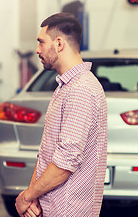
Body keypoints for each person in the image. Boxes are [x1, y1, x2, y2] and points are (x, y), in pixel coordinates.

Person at [15, 12, 108, 217]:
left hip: (68, 209)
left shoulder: (81, 89)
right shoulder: (65, 86)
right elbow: (47, 151)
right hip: (52, 206)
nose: (37, 50)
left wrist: (27, 196)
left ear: (58, 44)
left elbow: (65, 163)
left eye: (41, 42)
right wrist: (34, 196)